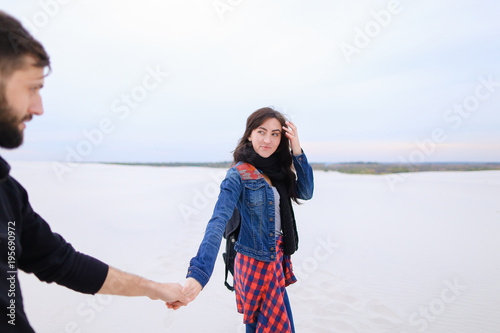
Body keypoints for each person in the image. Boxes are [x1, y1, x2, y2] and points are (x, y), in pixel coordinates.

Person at [0, 11, 189, 332]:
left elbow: (64, 262)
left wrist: (155, 289)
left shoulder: (8, 193)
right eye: (32, 87)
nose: (39, 107)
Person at [179, 107, 314, 332]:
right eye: (261, 132)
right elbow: (218, 221)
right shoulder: (238, 174)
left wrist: (297, 150)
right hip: (254, 263)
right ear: (250, 134)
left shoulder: (279, 171)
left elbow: (306, 191)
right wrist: (199, 273)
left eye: (275, 134)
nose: (267, 140)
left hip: (277, 260)